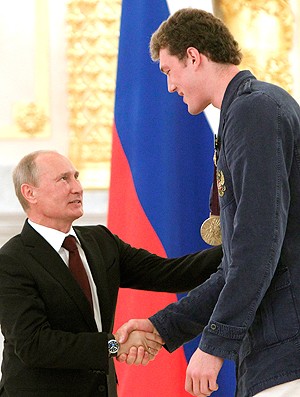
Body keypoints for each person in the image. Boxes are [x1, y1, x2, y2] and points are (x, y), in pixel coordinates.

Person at [116, 7, 300, 397]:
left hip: (288, 351)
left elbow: (257, 246)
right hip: (276, 350)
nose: (169, 86)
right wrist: (162, 326)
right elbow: (236, 264)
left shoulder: (254, 110)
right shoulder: (246, 111)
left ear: (194, 56)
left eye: (169, 70)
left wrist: (213, 346)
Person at [0, 150, 222, 397]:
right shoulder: (11, 260)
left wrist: (240, 249)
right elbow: (34, 344)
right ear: (30, 193)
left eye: (76, 177)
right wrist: (113, 345)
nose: (77, 188)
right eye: (63, 179)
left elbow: (172, 274)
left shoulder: (100, 241)